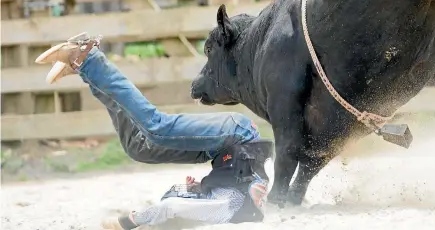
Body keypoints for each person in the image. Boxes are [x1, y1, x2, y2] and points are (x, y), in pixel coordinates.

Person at [34, 32, 274, 230]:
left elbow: (177, 206)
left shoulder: (210, 212)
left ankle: (86, 71)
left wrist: (202, 186)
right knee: (158, 128)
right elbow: (169, 209)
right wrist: (129, 222)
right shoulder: (223, 211)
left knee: (139, 148)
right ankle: (88, 57)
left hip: (222, 152)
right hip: (238, 135)